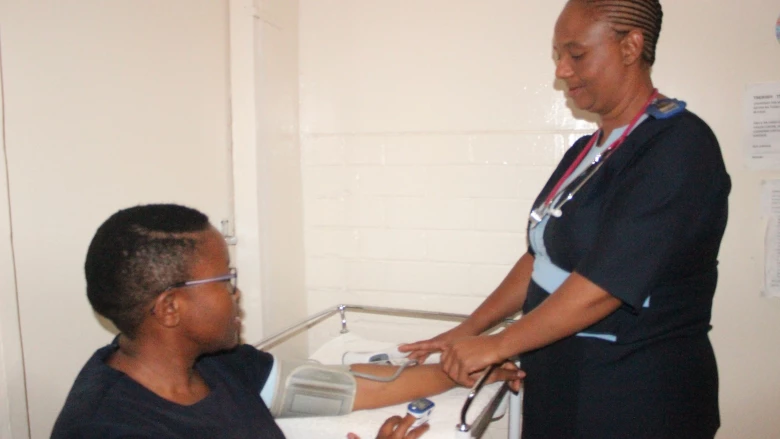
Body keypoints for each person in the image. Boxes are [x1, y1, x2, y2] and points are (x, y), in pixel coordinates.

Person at [400, 1, 730, 438]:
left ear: (630, 46)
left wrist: (499, 344)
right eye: (558, 55)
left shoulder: (680, 147)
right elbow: (542, 257)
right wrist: (469, 330)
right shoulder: (588, 151)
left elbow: (604, 286)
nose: (562, 71)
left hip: (635, 396)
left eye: (576, 55)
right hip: (562, 380)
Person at [51, 204, 522, 439]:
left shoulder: (219, 365)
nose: (236, 291)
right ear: (170, 307)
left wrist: (455, 369)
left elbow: (349, 387)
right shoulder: (110, 426)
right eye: (224, 278)